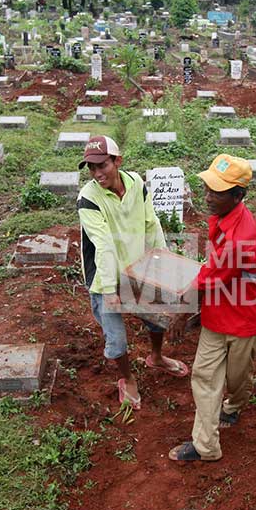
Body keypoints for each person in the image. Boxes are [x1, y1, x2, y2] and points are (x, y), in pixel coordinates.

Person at [168, 155, 256, 463]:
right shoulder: (228, 219)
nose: (208, 197)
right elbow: (212, 272)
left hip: (244, 321)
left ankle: (234, 406)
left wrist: (181, 311)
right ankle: (206, 446)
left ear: (238, 196)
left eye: (217, 192)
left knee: (237, 378)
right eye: (208, 188)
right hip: (218, 315)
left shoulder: (241, 238)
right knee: (205, 376)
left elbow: (208, 277)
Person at [77, 135, 189, 409]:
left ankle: (157, 357)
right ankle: (126, 378)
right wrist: (109, 290)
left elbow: (151, 224)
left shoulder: (136, 184)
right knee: (116, 339)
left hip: (139, 267)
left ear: (118, 161)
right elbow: (103, 245)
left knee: (156, 319)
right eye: (91, 168)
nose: (97, 173)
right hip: (105, 276)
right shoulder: (88, 199)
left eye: (102, 165)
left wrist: (161, 262)